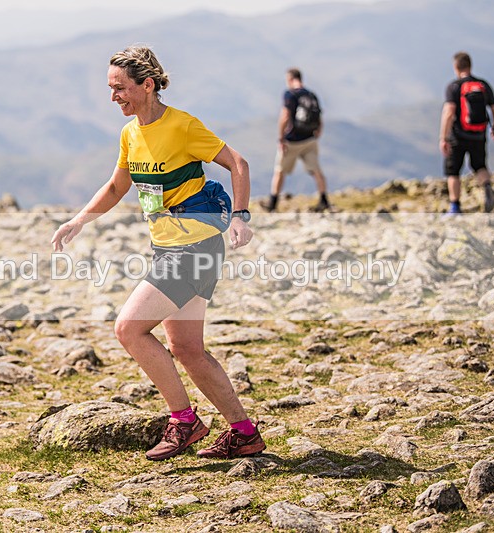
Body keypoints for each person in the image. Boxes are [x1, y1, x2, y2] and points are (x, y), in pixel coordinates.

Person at [52, 46, 265, 461]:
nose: (114, 96)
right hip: (167, 244)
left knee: (128, 329)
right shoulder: (131, 133)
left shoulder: (182, 126)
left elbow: (238, 163)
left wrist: (240, 216)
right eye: (111, 89)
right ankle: (243, 433)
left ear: (147, 85)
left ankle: (184, 422)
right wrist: (79, 219)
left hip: (194, 244)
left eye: (121, 88)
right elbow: (117, 187)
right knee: (186, 348)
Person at [439, 51, 494, 215]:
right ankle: (486, 186)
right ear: (470, 65)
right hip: (478, 135)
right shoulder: (483, 85)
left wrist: (443, 138)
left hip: (457, 136)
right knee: (480, 166)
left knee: (453, 171)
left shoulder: (454, 87)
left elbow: (449, 112)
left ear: (455, 67)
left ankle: (455, 207)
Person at [261, 68, 330, 212]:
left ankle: (273, 203)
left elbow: (285, 116)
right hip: (310, 139)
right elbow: (320, 118)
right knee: (316, 170)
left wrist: (281, 137)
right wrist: (317, 134)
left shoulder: (290, 94)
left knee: (280, 170)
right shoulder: (311, 95)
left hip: (292, 141)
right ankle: (324, 200)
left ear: (290, 79)